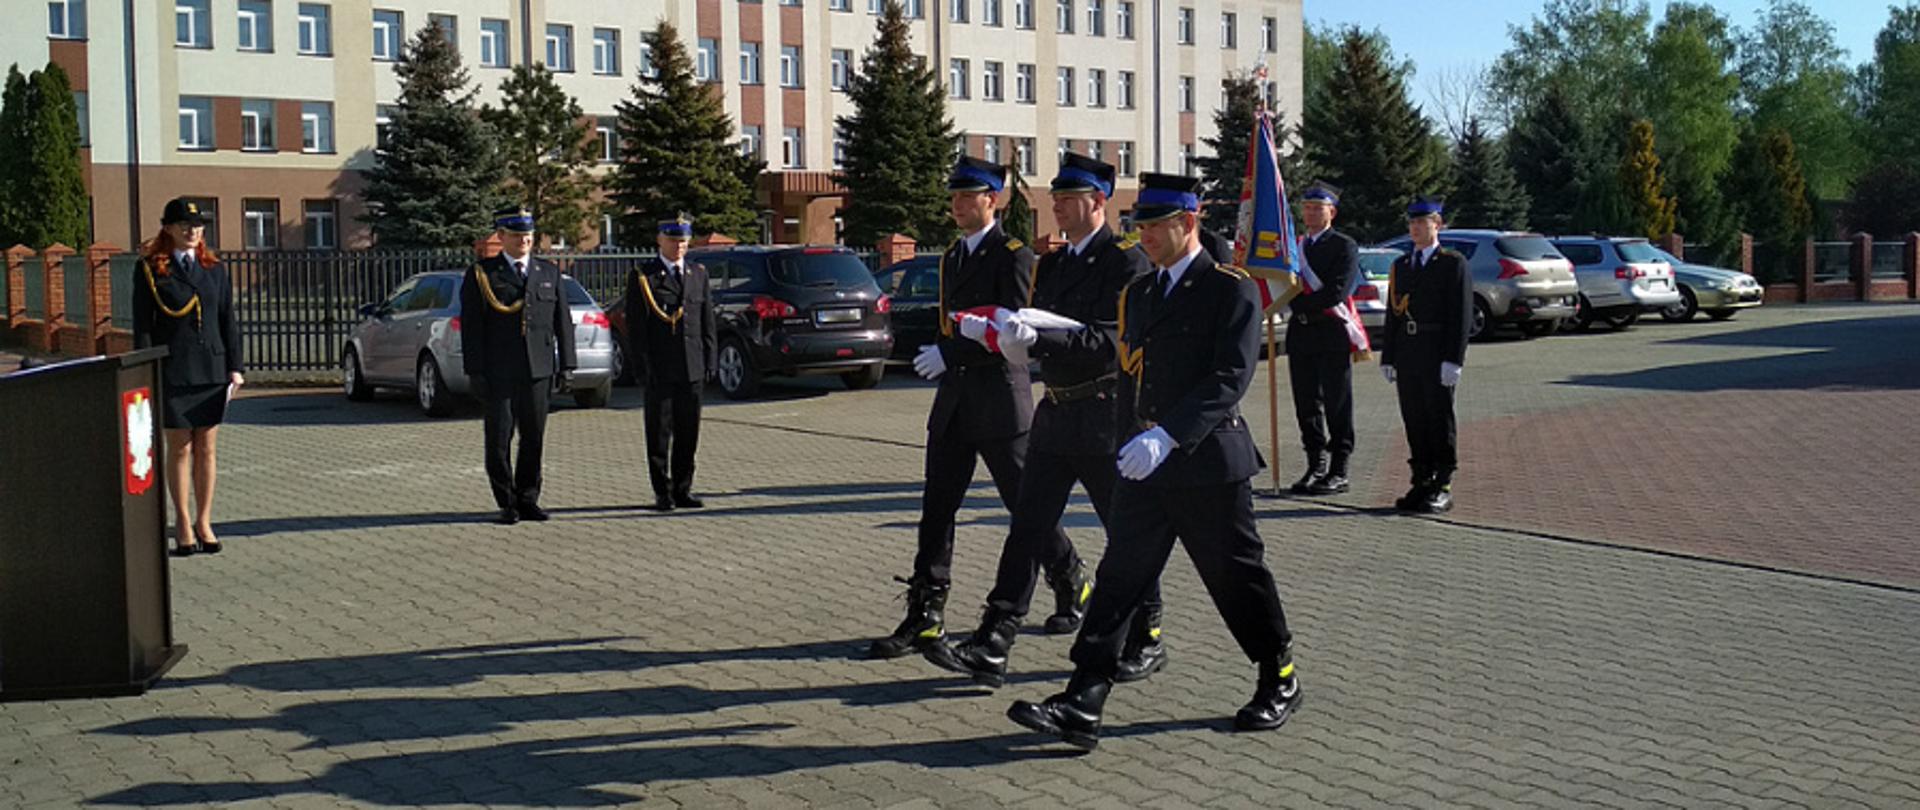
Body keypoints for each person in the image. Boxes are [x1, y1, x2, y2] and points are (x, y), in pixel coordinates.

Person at [1007, 173, 1300, 751]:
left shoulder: (1229, 289)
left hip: (1208, 464)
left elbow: (1228, 379)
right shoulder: (1140, 293)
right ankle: (1083, 697)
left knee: (1235, 578)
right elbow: (1130, 375)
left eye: (1154, 228)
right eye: (1139, 227)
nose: (1144, 239)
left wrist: (1168, 436)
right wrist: (1126, 446)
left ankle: (1278, 673)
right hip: (1144, 464)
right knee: (1119, 581)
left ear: (1187, 224)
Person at [923, 153, 1169, 687]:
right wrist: (1006, 340)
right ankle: (995, 637)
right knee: (1027, 527)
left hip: (1105, 413)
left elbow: (1109, 341)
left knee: (1123, 532)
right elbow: (1035, 337)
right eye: (1054, 196)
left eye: (1067, 197)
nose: (1055, 205)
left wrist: (1042, 334)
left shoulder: (1125, 262)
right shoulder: (1053, 264)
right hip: (1056, 410)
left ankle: (1146, 631)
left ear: (1098, 202)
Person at [868, 156, 1047, 660]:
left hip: (999, 402)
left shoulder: (1013, 255)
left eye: (968, 197)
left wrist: (951, 352)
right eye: (953, 197)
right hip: (954, 405)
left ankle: (1067, 574)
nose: (957, 205)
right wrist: (945, 351)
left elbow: (1012, 330)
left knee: (1026, 506)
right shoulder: (952, 256)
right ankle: (925, 615)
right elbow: (951, 323)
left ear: (994, 199)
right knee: (937, 509)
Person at [132, 197, 245, 556]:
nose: (192, 231)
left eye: (197, 225)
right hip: (173, 368)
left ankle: (204, 521)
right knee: (179, 447)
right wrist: (145, 368)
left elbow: (228, 319)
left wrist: (236, 367)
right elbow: (143, 326)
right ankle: (182, 522)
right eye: (184, 225)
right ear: (167, 228)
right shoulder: (151, 269)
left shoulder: (214, 268)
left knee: (207, 448)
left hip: (212, 368)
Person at [460, 205, 577, 525]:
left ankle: (528, 498)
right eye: (516, 235)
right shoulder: (483, 274)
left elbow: (562, 322)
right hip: (499, 372)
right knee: (499, 439)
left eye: (528, 235)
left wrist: (567, 365)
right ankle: (506, 501)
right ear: (501, 237)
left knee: (534, 437)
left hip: (538, 370)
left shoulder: (548, 272)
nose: (524, 240)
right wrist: (475, 371)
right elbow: (472, 328)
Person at [1381, 196, 1473, 513]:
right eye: (1412, 223)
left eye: (1423, 222)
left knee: (1438, 418)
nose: (1416, 228)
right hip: (1408, 353)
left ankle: (1443, 483)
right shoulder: (1401, 265)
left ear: (1438, 225)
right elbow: (1393, 314)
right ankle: (1420, 480)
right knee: (1414, 419)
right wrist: (1388, 356)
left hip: (1436, 352)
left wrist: (1454, 359)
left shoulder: (1451, 263)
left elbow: (1461, 314)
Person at [625, 215, 717, 511]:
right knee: (659, 432)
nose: (679, 246)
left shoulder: (697, 273)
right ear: (660, 241)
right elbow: (637, 329)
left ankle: (683, 489)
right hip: (660, 368)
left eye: (683, 241)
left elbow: (707, 322)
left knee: (688, 432)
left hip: (691, 365)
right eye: (673, 240)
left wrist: (710, 358)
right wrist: (642, 367)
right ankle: (662, 491)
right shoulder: (644, 276)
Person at [1286, 182, 1361, 496]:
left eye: (1318, 207)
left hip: (1330, 331)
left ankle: (1339, 467)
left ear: (1332, 211)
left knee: (1336, 401)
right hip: (1301, 332)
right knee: (1306, 403)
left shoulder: (1343, 246)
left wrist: (1298, 302)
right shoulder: (1296, 247)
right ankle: (1315, 463)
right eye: (1307, 207)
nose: (1312, 212)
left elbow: (1336, 292)